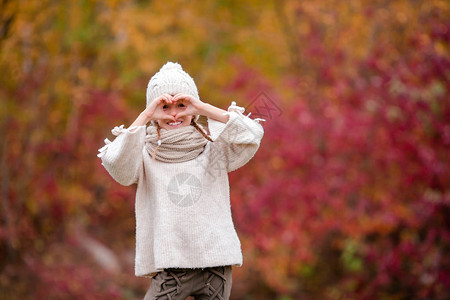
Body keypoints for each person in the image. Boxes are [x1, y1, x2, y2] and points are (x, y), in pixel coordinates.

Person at [97, 62, 264, 299]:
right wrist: (145, 115)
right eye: (164, 106)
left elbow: (252, 134)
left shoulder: (214, 148)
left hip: (216, 269)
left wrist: (202, 107)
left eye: (182, 105)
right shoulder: (144, 153)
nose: (174, 114)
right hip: (170, 272)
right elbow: (115, 163)